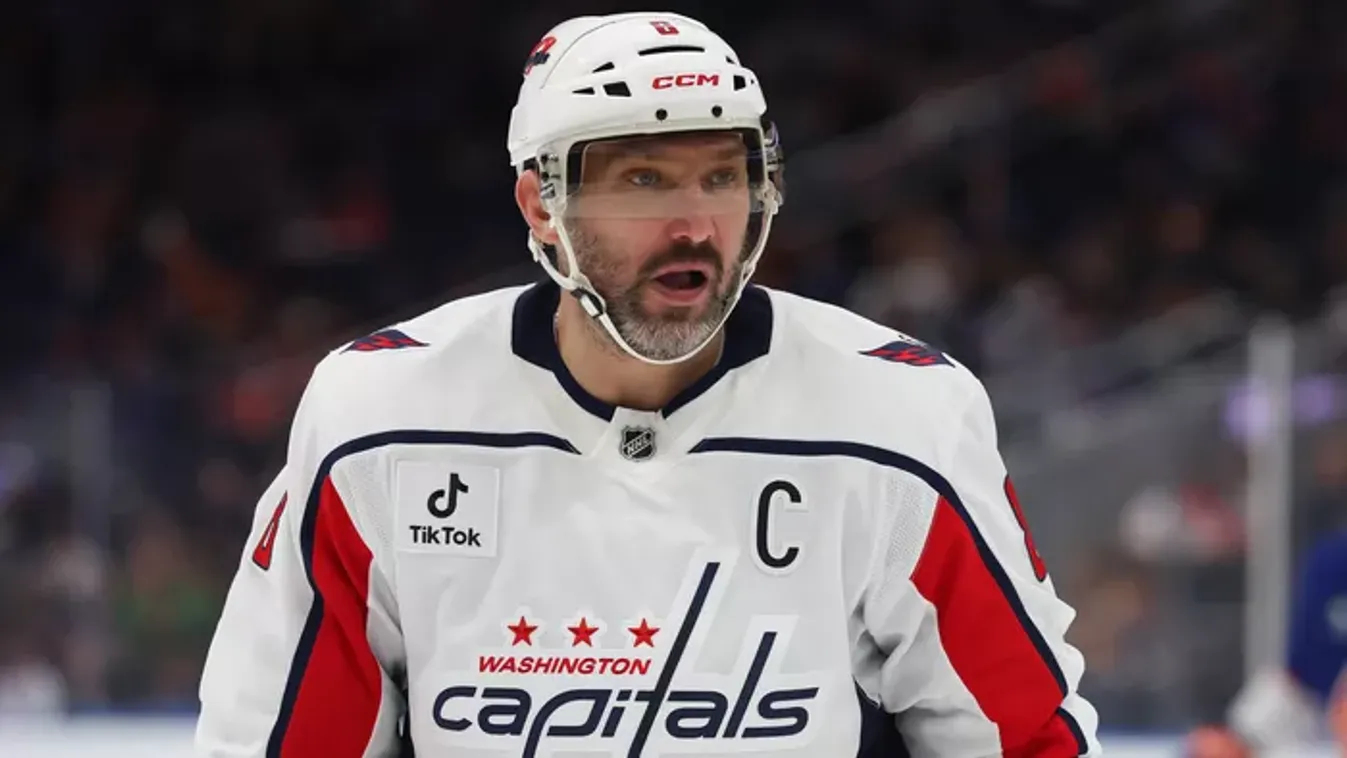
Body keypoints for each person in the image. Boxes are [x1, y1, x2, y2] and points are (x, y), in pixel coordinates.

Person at [194, 11, 1100, 757]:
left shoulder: (898, 422)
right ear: (541, 205)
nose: (694, 224)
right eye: (642, 180)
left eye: (722, 176)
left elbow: (1023, 740)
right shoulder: (378, 421)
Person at [1188, 530, 1347, 758]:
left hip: (1328, 702)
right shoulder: (1332, 560)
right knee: (1216, 746)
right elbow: (1306, 657)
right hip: (1309, 696)